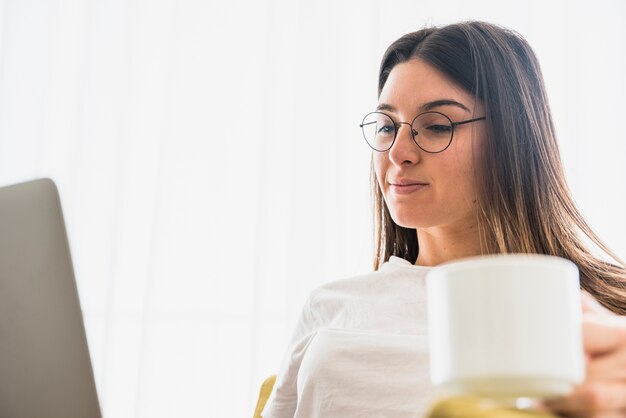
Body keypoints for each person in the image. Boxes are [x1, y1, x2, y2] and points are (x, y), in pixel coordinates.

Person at [261, 21, 626, 418]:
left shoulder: (605, 318)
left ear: (513, 139)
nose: (398, 152)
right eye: (386, 127)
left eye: (435, 126)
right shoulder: (330, 308)